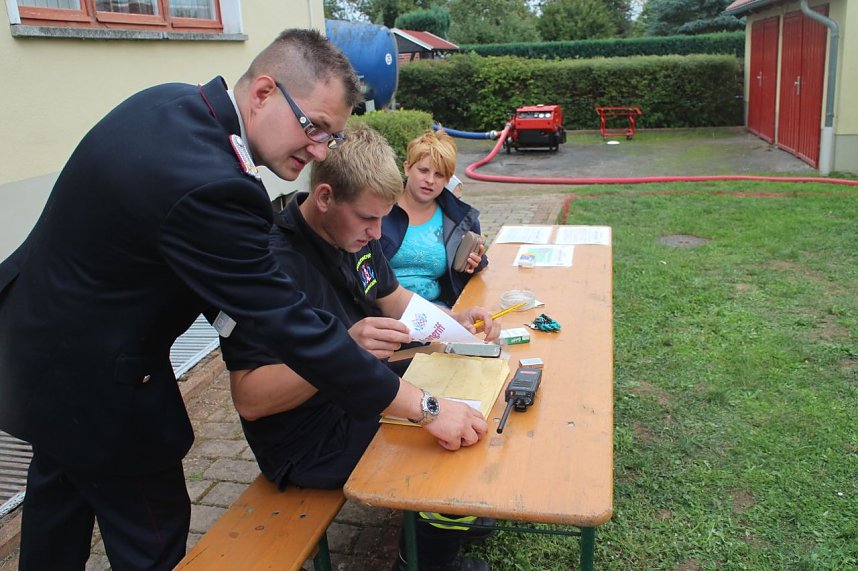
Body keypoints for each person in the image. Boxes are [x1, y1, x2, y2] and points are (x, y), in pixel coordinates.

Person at [0, 30, 486, 571]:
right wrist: (428, 407)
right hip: (98, 388)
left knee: (55, 514)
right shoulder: (217, 187)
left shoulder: (169, 103)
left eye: (331, 135)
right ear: (262, 93)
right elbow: (295, 329)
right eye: (315, 128)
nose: (319, 151)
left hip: (32, 350)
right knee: (151, 536)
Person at [224, 122, 498, 571]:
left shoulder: (354, 237)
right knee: (446, 453)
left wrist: (456, 322)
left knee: (467, 386)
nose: (376, 233)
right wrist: (341, 349)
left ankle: (448, 518)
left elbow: (394, 300)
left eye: (382, 219)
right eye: (369, 219)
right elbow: (250, 399)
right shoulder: (268, 265)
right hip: (307, 440)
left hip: (357, 395)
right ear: (326, 196)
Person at [381, 129, 487, 308]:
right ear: (407, 168)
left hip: (437, 311)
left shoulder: (459, 218)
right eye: (423, 170)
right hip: (382, 311)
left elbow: (466, 275)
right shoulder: (379, 209)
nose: (430, 180)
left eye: (439, 175)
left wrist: (475, 263)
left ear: (448, 180)